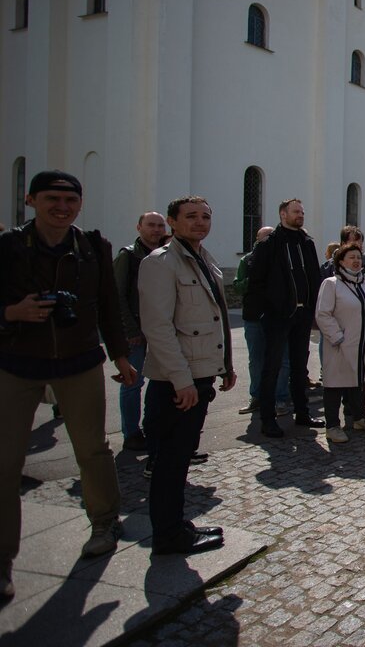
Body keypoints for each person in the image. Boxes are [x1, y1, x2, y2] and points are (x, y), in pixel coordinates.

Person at [0, 170, 137, 596]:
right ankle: (3, 560)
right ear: (31, 200)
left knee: (93, 448)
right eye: (51, 199)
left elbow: (107, 307)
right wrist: (11, 313)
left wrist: (121, 356)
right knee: (5, 462)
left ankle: (103, 523)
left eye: (69, 200)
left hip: (79, 360)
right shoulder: (7, 247)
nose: (61, 208)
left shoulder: (91, 247)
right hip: (19, 361)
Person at [139, 196, 234, 555]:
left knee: (181, 457)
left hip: (200, 375)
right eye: (191, 216)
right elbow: (158, 327)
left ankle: (175, 523)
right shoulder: (161, 263)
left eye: (205, 216)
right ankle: (167, 535)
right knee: (170, 460)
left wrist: (225, 367)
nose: (199, 222)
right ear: (172, 222)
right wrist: (181, 380)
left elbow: (214, 317)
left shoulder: (202, 259)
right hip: (177, 382)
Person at [243, 199, 325, 437]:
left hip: (302, 314)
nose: (301, 215)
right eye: (296, 212)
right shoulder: (270, 243)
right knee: (273, 367)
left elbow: (314, 277)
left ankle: (302, 413)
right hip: (278, 315)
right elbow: (256, 282)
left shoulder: (307, 242)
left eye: (302, 211)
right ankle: (268, 419)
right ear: (282, 214)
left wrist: (312, 309)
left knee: (300, 367)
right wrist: (266, 309)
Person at [315, 243, 365, 444]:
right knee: (335, 385)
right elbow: (323, 314)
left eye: (358, 257)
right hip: (340, 345)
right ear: (341, 261)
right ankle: (332, 426)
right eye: (351, 257)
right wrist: (338, 337)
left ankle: (359, 418)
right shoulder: (331, 284)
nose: (356, 261)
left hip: (364, 343)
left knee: (358, 383)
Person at [112, 211, 168, 452]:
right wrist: (130, 329)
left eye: (159, 226)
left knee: (159, 381)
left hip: (161, 330)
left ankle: (153, 426)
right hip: (137, 330)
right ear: (139, 227)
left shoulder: (166, 255)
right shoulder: (128, 256)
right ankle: (131, 432)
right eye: (151, 225)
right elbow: (118, 295)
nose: (156, 230)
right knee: (133, 383)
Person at [234, 226, 290, 416]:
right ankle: (256, 396)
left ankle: (280, 398)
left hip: (278, 316)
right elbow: (238, 286)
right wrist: (254, 278)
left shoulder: (283, 259)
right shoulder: (247, 260)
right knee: (256, 359)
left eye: (270, 238)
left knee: (282, 359)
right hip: (254, 315)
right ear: (257, 240)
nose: (267, 242)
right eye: (263, 239)